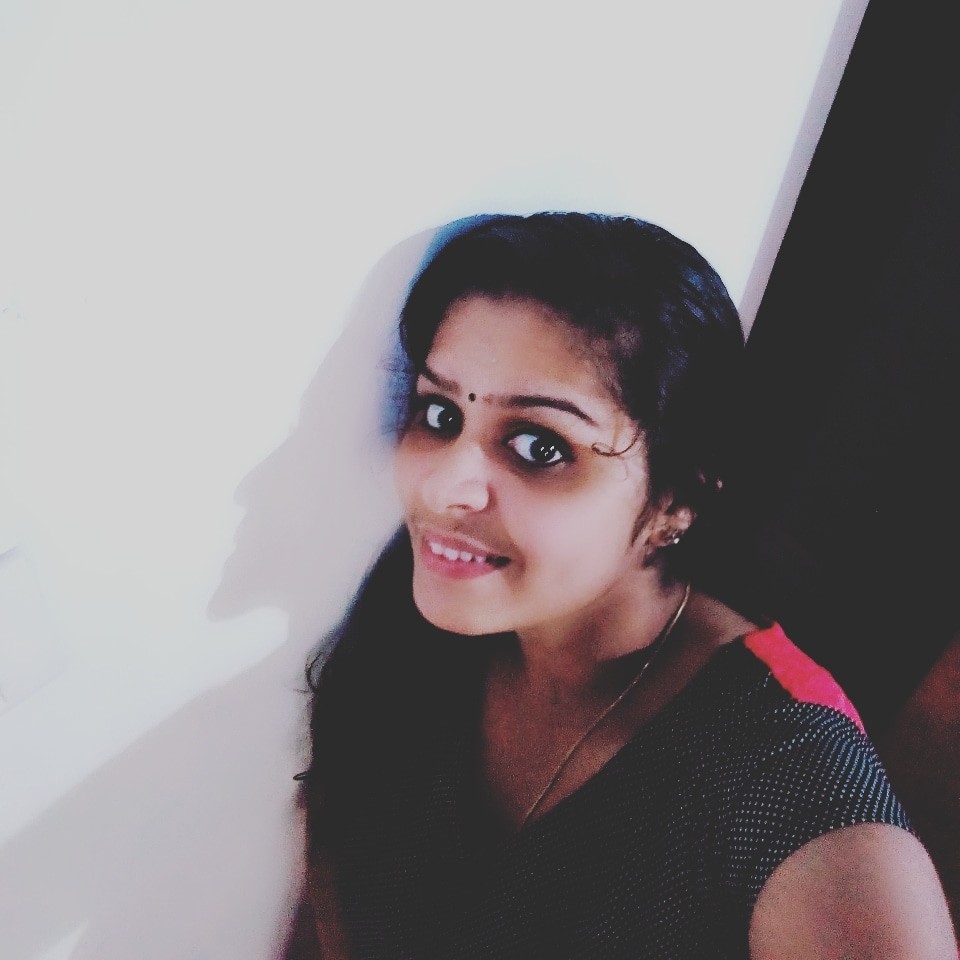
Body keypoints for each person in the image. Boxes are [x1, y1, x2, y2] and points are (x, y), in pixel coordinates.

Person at [295, 213, 956, 959]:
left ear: (675, 501)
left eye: (539, 446)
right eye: (440, 414)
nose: (445, 487)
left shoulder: (778, 767)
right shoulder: (409, 633)